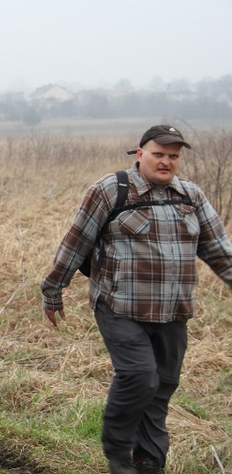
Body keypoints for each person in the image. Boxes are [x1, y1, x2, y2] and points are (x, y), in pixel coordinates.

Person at [41, 125, 232, 474]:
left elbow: (221, 252)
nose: (166, 162)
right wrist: (52, 290)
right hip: (119, 307)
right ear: (140, 153)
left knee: (162, 387)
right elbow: (76, 242)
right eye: (158, 154)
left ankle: (149, 462)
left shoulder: (190, 196)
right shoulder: (111, 190)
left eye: (173, 156)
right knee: (140, 375)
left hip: (173, 311)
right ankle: (117, 451)